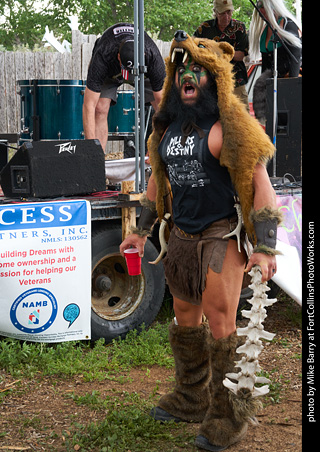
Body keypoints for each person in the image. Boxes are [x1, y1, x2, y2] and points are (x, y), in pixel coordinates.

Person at [120, 30, 282, 451]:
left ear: (215, 76)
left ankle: (228, 416)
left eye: (197, 70)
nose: (187, 76)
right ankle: (191, 397)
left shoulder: (231, 127)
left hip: (219, 235)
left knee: (221, 321)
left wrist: (264, 247)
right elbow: (159, 179)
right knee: (185, 317)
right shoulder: (168, 128)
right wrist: (139, 231)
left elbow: (260, 185)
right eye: (181, 70)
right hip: (182, 235)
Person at [83, 23, 166, 152]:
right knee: (100, 108)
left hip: (144, 73)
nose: (129, 77)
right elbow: (89, 106)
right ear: (119, 57)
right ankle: (98, 158)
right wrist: (90, 152)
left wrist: (156, 145)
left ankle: (161, 155)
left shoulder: (153, 56)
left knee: (159, 106)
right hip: (110, 71)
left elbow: (163, 106)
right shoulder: (103, 55)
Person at [249, 0, 302, 122]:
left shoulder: (288, 24)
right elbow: (266, 67)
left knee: (289, 120)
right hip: (273, 80)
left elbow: (296, 58)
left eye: (264, 9)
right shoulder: (264, 30)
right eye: (260, 9)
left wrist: (291, 87)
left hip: (290, 77)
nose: (262, 12)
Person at [194, 0, 249, 109]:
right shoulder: (205, 28)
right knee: (213, 117)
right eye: (222, 13)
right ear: (215, 12)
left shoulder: (239, 28)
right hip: (211, 82)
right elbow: (195, 49)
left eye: (229, 12)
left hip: (235, 80)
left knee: (242, 117)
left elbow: (240, 55)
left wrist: (216, 53)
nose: (226, 16)